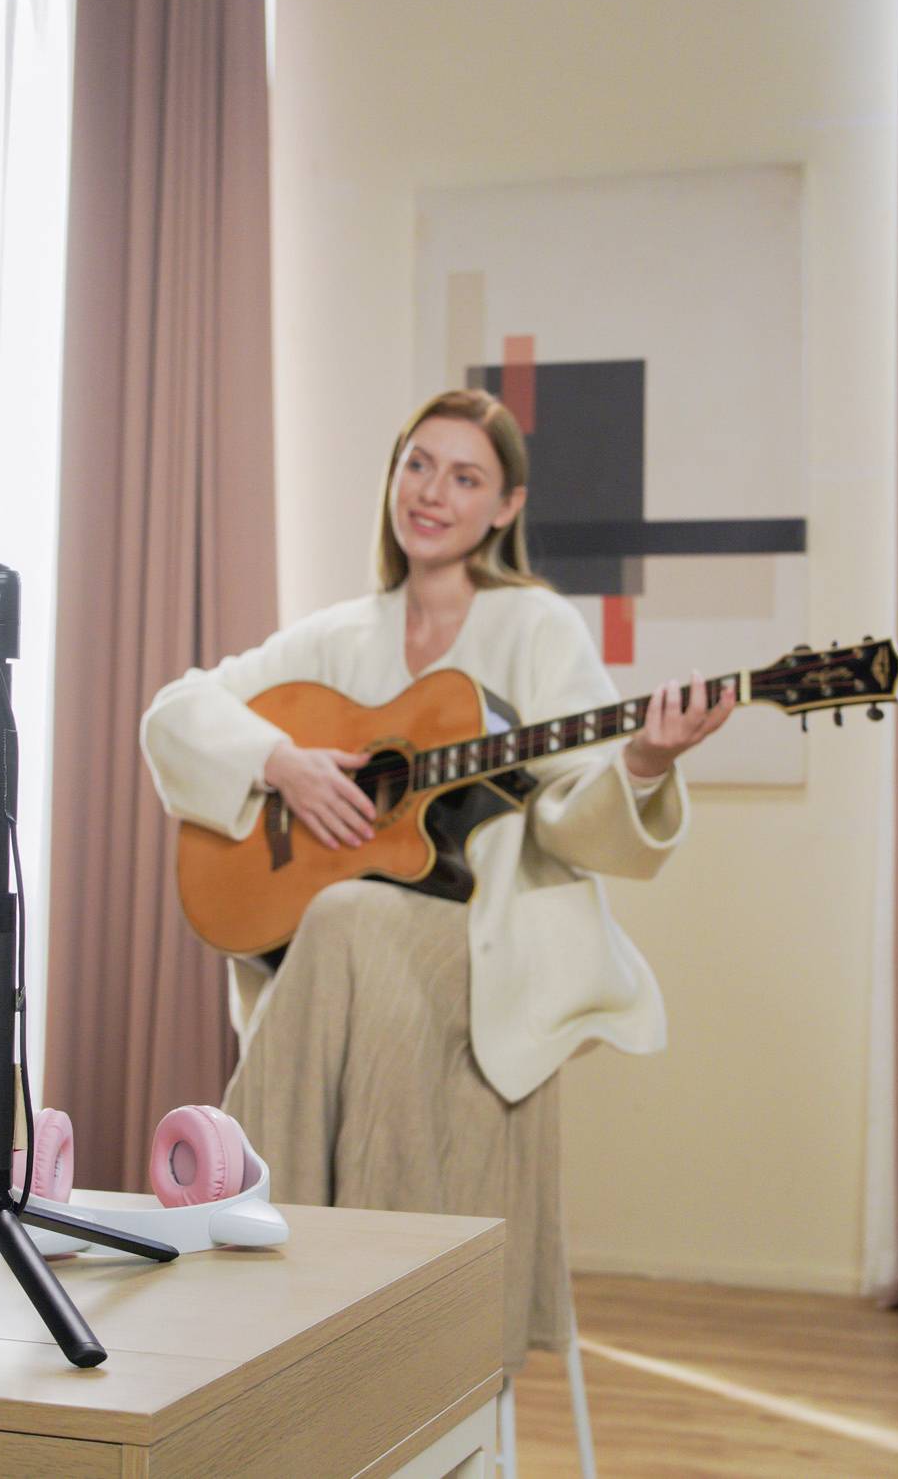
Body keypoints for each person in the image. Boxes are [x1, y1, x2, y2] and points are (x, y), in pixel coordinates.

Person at [139, 388, 731, 1378]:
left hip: (494, 941)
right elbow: (175, 710)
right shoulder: (339, 637)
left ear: (502, 509)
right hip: (360, 945)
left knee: (342, 915)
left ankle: (236, 1205)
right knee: (345, 915)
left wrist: (642, 765)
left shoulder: (533, 628)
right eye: (418, 464)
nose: (432, 492)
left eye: (465, 478)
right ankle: (312, 1306)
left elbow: (568, 814)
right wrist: (278, 762)